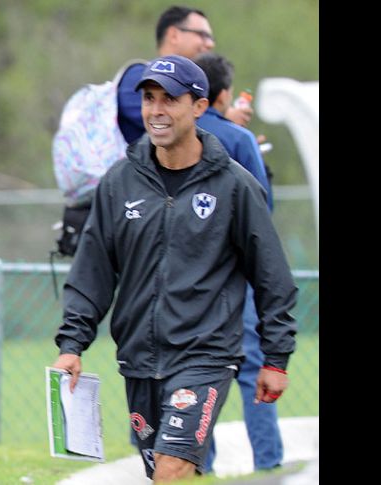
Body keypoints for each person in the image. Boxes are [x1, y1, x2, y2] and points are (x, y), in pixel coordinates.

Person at [51, 55, 297, 483]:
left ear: (199, 107)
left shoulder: (234, 186)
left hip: (206, 357)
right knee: (166, 473)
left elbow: (271, 274)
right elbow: (93, 271)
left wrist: (276, 357)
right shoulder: (119, 182)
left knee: (172, 467)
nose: (156, 110)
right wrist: (72, 344)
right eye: (149, 98)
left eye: (170, 99)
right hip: (139, 361)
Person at [194, 51, 282, 472]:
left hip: (189, 276)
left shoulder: (181, 132)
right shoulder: (239, 139)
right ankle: (268, 463)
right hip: (237, 271)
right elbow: (262, 208)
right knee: (251, 369)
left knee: (195, 368)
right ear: (225, 93)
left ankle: (199, 464)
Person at [117, 5, 252, 147]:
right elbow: (176, 124)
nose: (210, 44)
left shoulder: (191, 85)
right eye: (202, 35)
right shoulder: (137, 76)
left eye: (170, 98)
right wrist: (224, 122)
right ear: (174, 35)